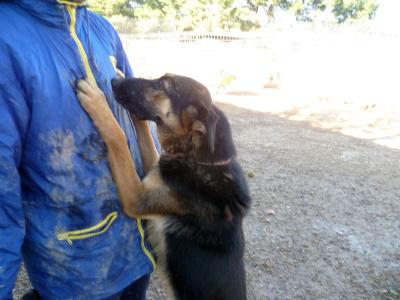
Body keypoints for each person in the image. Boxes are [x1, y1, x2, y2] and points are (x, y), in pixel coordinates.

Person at [0, 0, 159, 299]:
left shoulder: (101, 28)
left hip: (138, 252)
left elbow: (140, 118)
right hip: (77, 271)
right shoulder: (6, 36)